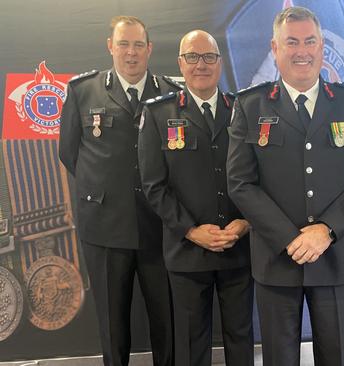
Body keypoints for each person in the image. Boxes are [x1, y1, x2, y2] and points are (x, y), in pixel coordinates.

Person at [226, 6, 344, 366]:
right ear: (274, 48)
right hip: (277, 259)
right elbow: (240, 182)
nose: (302, 50)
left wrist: (326, 230)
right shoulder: (250, 105)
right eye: (291, 42)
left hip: (334, 256)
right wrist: (290, 237)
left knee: (336, 356)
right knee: (279, 358)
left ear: (322, 47)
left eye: (310, 41)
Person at [59, 15, 180, 366]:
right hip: (106, 227)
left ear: (149, 49)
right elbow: (70, 153)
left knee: (167, 321)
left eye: (138, 45)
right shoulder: (83, 91)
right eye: (123, 44)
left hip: (159, 226)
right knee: (112, 324)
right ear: (110, 46)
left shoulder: (170, 93)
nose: (131, 53)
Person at [138, 30, 254, 366]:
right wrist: (191, 230)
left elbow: (259, 177)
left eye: (209, 57)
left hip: (238, 246)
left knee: (241, 337)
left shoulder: (242, 110)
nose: (200, 64)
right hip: (187, 251)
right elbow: (154, 186)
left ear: (220, 63)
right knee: (190, 343)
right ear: (180, 63)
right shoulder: (159, 114)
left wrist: (246, 222)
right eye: (192, 57)